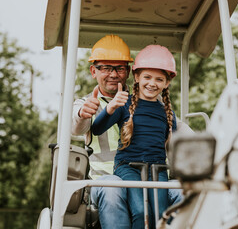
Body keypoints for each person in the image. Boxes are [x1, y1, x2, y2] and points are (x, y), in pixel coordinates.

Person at [71, 35, 191, 229]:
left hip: (152, 173)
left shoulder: (155, 105)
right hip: (108, 180)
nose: (113, 74)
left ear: (128, 71)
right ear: (94, 71)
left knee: (185, 193)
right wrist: (83, 114)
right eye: (105, 68)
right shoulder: (87, 103)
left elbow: (183, 131)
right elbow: (76, 126)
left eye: (119, 68)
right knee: (114, 188)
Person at [91, 45, 177, 229]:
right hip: (129, 167)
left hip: (158, 169)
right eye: (147, 77)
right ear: (137, 77)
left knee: (160, 213)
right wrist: (110, 108)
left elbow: (176, 145)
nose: (152, 83)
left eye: (159, 79)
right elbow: (97, 129)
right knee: (140, 210)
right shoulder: (124, 104)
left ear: (167, 83)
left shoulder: (167, 113)